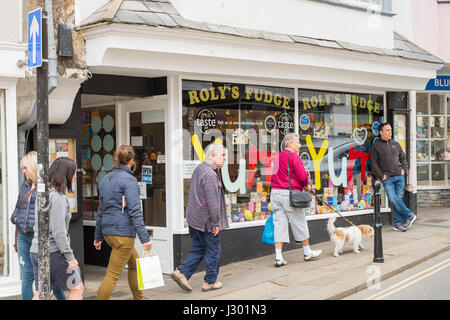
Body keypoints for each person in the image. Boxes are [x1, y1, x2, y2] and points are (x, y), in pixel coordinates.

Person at [94, 145, 152, 300]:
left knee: (135, 262)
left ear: (116, 160)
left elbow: (101, 210)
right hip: (123, 234)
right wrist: (145, 238)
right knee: (112, 275)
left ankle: (139, 298)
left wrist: (98, 236)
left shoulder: (105, 179)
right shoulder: (129, 180)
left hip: (109, 233)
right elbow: (135, 211)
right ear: (132, 161)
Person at [171, 143, 229, 292]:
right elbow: (213, 203)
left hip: (194, 218)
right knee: (214, 250)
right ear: (212, 156)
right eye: (222, 155)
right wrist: (216, 223)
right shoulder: (210, 174)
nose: (225, 158)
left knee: (199, 248)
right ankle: (210, 281)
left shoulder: (201, 168)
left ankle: (181, 272)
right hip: (206, 221)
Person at [10, 151, 66, 300]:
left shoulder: (47, 187)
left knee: (50, 275)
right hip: (23, 236)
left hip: (39, 238)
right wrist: (15, 218)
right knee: (27, 276)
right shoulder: (25, 185)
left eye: (25, 168)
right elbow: (18, 207)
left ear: (33, 168)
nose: (23, 171)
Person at [30, 157, 84, 300]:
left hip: (36, 251)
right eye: (73, 173)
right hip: (53, 252)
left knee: (40, 293)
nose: (75, 177)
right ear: (65, 174)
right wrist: (70, 257)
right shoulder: (58, 198)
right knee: (77, 287)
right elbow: (59, 232)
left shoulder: (43, 193)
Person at [270, 133, 322, 266]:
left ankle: (278, 256)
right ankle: (307, 252)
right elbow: (302, 176)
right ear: (289, 144)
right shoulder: (293, 156)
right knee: (299, 221)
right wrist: (307, 185)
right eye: (297, 142)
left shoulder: (276, 157)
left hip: (275, 193)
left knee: (279, 224)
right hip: (289, 194)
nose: (299, 145)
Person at [370, 122, 416, 232]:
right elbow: (373, 163)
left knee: (398, 199)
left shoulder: (396, 143)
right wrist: (381, 176)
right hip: (388, 179)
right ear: (381, 132)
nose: (390, 132)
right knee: (393, 199)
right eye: (387, 130)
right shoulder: (376, 146)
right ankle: (409, 215)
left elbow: (403, 158)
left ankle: (397, 223)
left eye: (390, 130)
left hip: (399, 177)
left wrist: (404, 170)